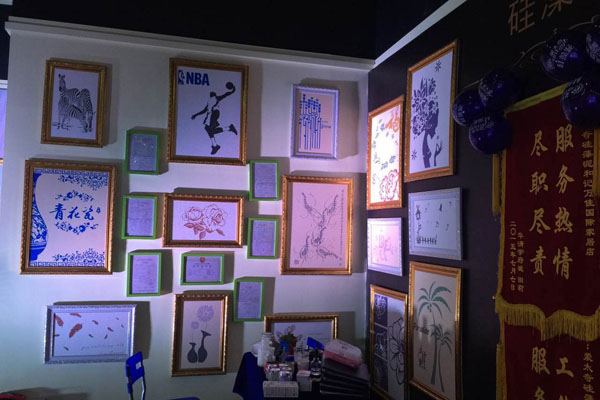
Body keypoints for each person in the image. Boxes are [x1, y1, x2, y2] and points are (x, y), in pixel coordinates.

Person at [191, 82, 238, 155]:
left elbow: (225, 95)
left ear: (214, 94)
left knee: (210, 130)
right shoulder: (209, 101)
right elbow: (204, 110)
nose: (211, 93)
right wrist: (196, 114)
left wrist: (232, 90)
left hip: (214, 114)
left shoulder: (216, 98)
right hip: (210, 115)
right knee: (208, 129)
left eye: (212, 93)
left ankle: (216, 145)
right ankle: (227, 130)